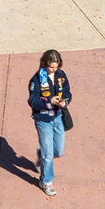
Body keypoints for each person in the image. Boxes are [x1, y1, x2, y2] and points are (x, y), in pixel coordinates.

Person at [27, 49, 72, 196]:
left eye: (56, 66)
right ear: (45, 64)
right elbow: (32, 101)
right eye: (51, 67)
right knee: (48, 153)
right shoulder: (37, 80)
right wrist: (49, 101)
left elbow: (67, 92)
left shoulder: (61, 75)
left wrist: (65, 101)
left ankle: (42, 157)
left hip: (57, 117)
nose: (53, 69)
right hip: (43, 119)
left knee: (58, 151)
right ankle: (46, 181)